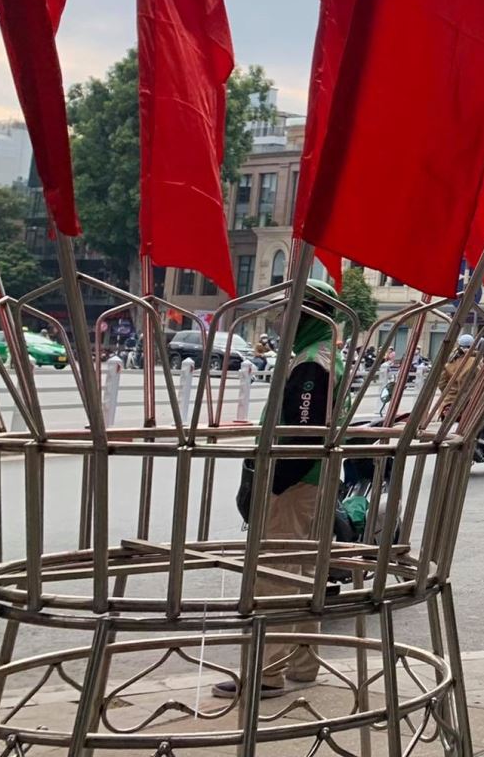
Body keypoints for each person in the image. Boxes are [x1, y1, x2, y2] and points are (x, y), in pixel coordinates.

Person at [216, 281, 346, 700]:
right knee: (305, 572)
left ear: (308, 314)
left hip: (295, 483)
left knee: (274, 576)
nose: (279, 320)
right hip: (312, 480)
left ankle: (266, 674)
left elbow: (304, 432)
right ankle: (302, 666)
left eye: (287, 311)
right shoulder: (319, 356)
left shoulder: (313, 363)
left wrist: (274, 484)